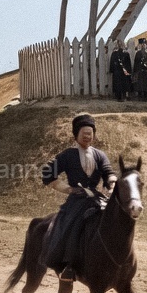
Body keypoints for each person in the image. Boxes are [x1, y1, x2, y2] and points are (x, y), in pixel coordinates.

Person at [42, 115, 117, 283]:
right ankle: (69, 265)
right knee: (75, 221)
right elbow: (47, 172)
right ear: (76, 134)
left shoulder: (99, 155)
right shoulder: (67, 155)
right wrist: (67, 189)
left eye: (90, 133)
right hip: (76, 199)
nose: (87, 136)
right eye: (84, 133)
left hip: (96, 198)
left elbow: (108, 172)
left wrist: (112, 185)